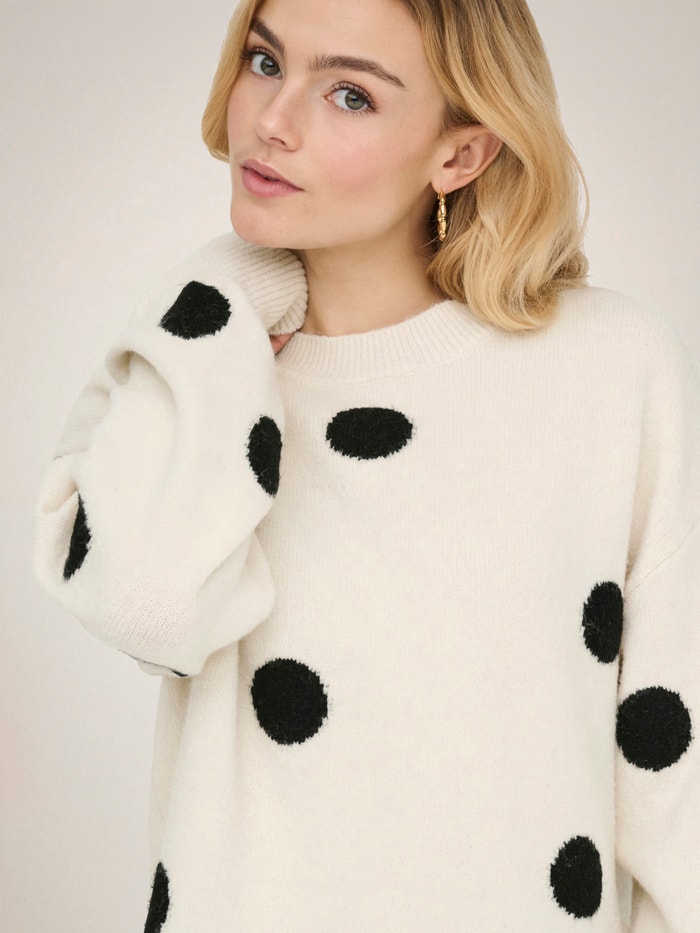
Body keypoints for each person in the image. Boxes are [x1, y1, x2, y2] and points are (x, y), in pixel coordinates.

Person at [32, 0, 699, 930]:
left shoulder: (612, 370)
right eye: (265, 62)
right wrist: (229, 286)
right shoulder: (200, 365)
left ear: (461, 154)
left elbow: (678, 788)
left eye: (349, 94)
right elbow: (144, 608)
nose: (274, 120)